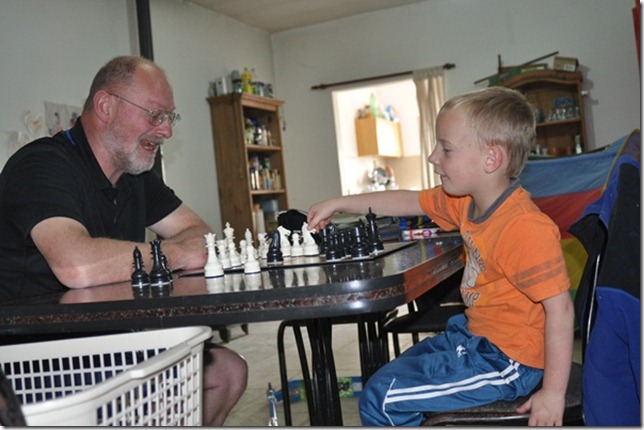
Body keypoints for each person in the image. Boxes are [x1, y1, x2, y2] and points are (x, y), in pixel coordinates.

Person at [0, 55, 247, 426]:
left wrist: (184, 248)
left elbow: (202, 235)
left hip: (110, 344)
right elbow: (76, 266)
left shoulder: (135, 176)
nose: (166, 131)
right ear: (105, 106)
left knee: (226, 371)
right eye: (155, 115)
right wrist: (175, 253)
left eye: (170, 118)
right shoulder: (42, 166)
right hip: (37, 361)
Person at [307, 87, 574, 426]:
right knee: (384, 380)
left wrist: (553, 392)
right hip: (474, 337)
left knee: (381, 399)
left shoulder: (524, 227)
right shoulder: (465, 201)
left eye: (446, 149)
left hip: (508, 360)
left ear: (492, 159)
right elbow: (408, 201)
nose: (433, 157)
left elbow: (561, 309)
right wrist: (340, 202)